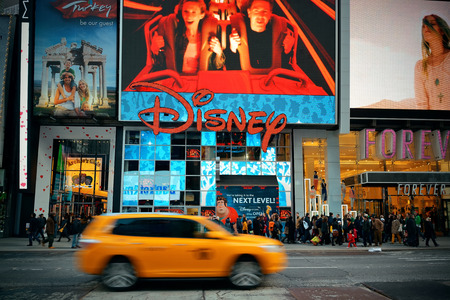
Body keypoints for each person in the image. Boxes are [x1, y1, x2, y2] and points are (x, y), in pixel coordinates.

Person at [150, 0, 225, 73]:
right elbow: (161, 65)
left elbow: (218, 66)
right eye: (186, 11)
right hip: (179, 81)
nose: (189, 16)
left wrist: (219, 53)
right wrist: (155, 50)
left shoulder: (210, 36)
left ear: (201, 15)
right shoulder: (175, 37)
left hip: (202, 82)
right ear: (181, 13)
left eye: (193, 12)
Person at [226, 0, 295, 70]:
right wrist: (233, 48)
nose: (260, 15)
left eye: (265, 11)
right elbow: (230, 69)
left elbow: (282, 69)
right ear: (249, 12)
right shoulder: (234, 31)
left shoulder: (277, 34)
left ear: (270, 14)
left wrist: (287, 51)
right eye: (256, 11)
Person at [415, 14, 450, 110]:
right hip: (433, 124)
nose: (426, 27)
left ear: (442, 30)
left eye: (432, 24)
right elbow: (421, 104)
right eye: (423, 26)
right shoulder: (420, 66)